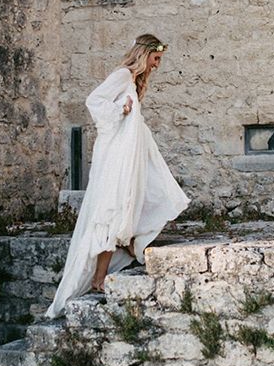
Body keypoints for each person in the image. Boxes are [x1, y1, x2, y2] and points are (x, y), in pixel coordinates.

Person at [45, 34, 189, 318]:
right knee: (111, 211)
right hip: (116, 158)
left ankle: (128, 247)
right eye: (156, 59)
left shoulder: (133, 81)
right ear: (144, 54)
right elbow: (94, 100)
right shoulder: (123, 75)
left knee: (141, 199)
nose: (157, 65)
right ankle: (98, 279)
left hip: (132, 153)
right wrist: (119, 110)